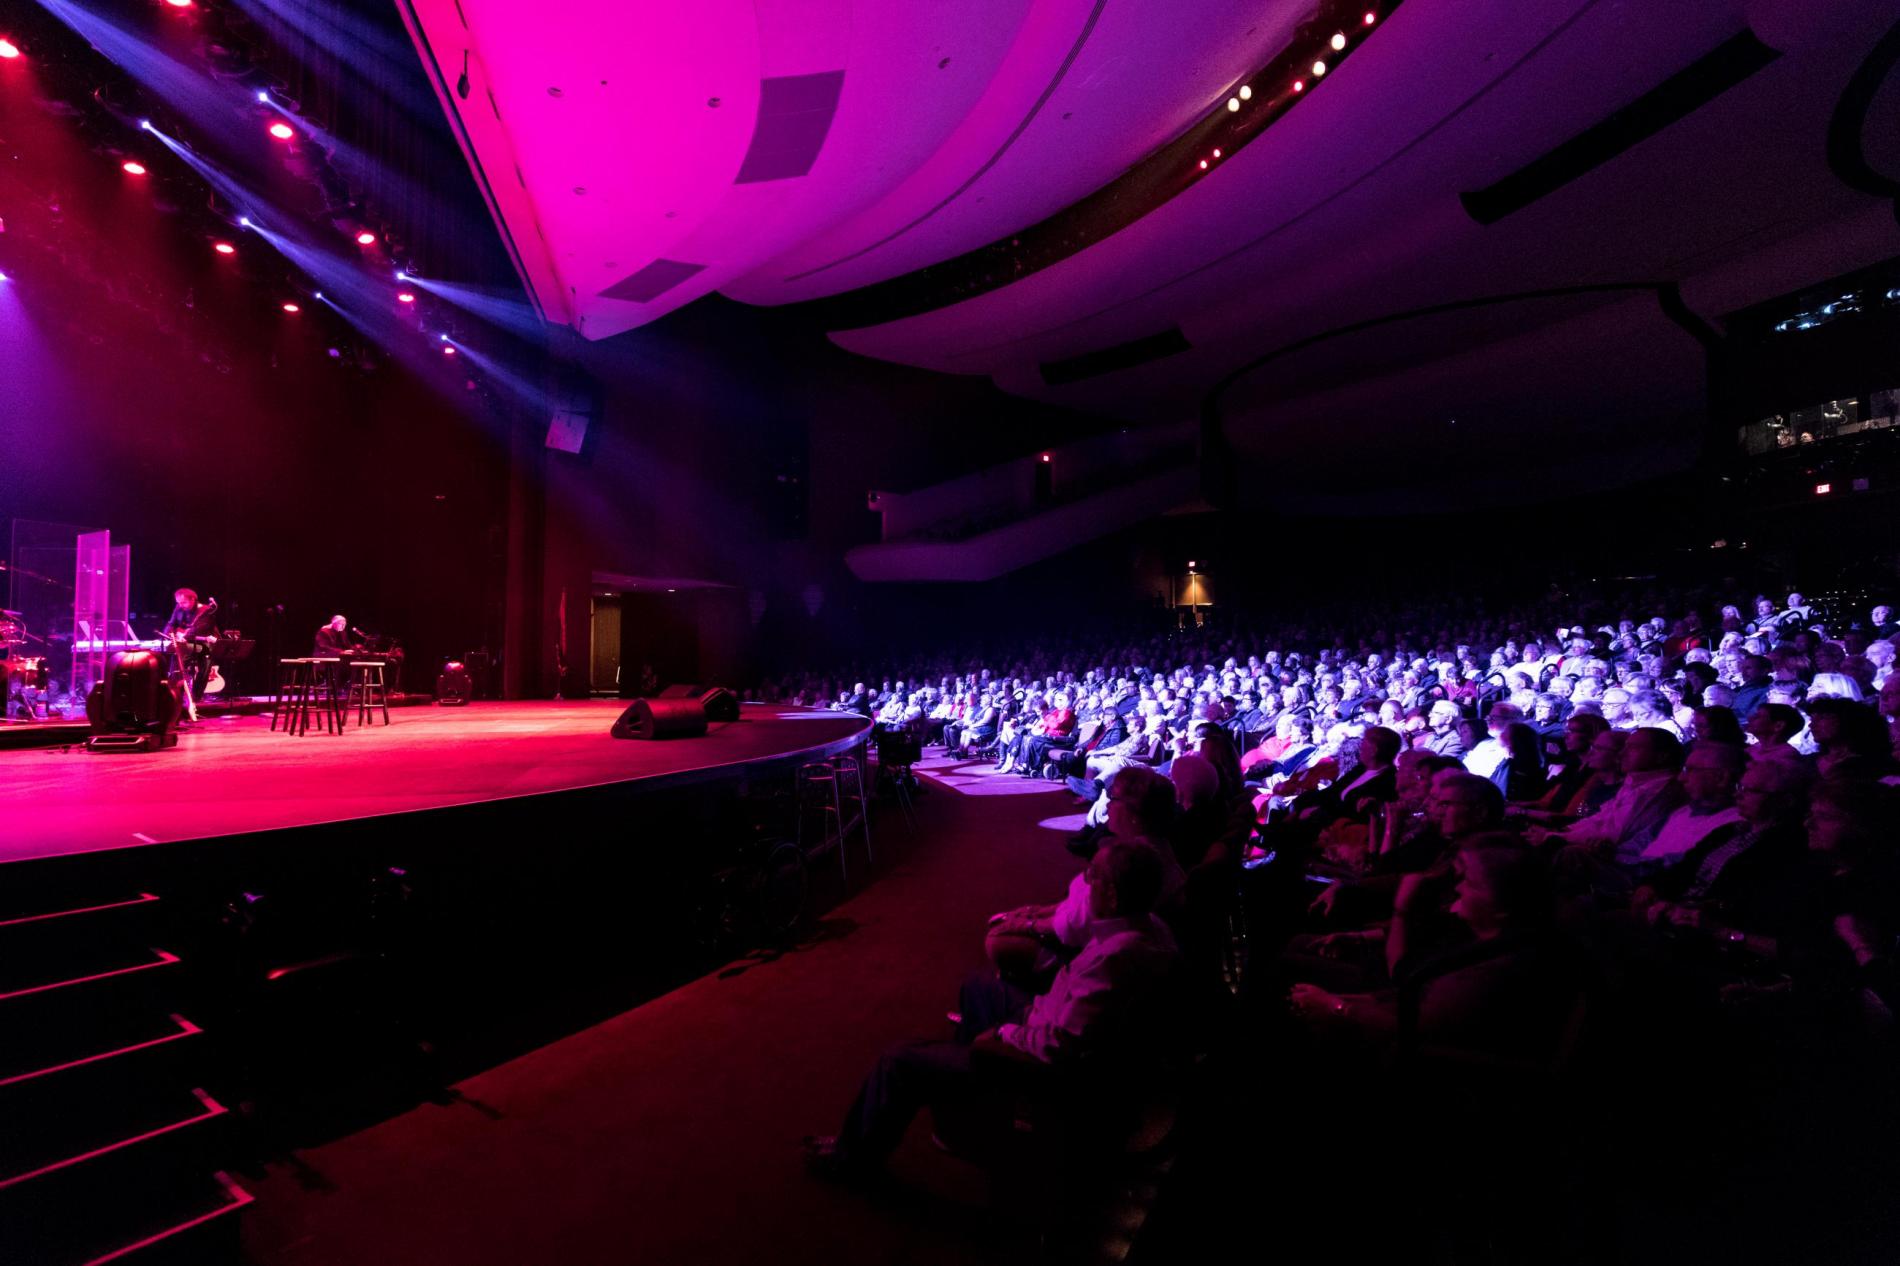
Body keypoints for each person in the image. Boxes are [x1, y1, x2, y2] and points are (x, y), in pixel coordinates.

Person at [804, 840, 1179, 1180]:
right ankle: (971, 1112)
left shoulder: (1114, 960)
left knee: (898, 1060)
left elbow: (1061, 1046)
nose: (1085, 879)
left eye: (1092, 875)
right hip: (1050, 1016)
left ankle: (850, 1158)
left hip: (1045, 1066)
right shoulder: (1151, 929)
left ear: (1112, 895)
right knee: (979, 987)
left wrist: (1002, 1036)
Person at [162, 587, 219, 715]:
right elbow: (171, 624)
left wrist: (184, 636)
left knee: (205, 663)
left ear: (193, 599)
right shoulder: (178, 608)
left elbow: (200, 629)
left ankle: (196, 697)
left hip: (204, 643)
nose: (180, 606)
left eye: (183, 603)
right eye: (178, 603)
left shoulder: (205, 610)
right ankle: (174, 692)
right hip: (185, 643)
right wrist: (168, 635)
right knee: (176, 650)